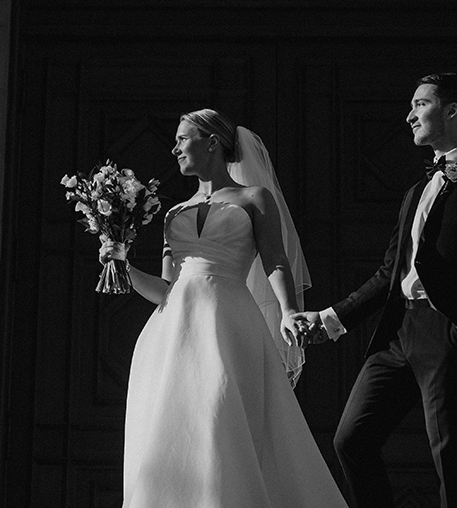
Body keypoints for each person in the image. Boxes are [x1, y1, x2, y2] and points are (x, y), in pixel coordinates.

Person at [101, 108, 350, 508]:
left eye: (183, 139)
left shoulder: (254, 198)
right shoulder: (173, 214)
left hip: (228, 324)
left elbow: (276, 260)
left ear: (212, 142)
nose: (174, 148)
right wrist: (122, 265)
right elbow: (165, 290)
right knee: (170, 429)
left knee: (220, 417)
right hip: (171, 334)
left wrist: (288, 311)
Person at [290, 73, 457, 508]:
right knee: (351, 439)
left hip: (446, 327)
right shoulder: (416, 191)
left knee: (450, 455)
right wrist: (329, 319)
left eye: (420, 104)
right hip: (399, 332)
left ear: (451, 110)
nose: (409, 115)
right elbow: (389, 274)